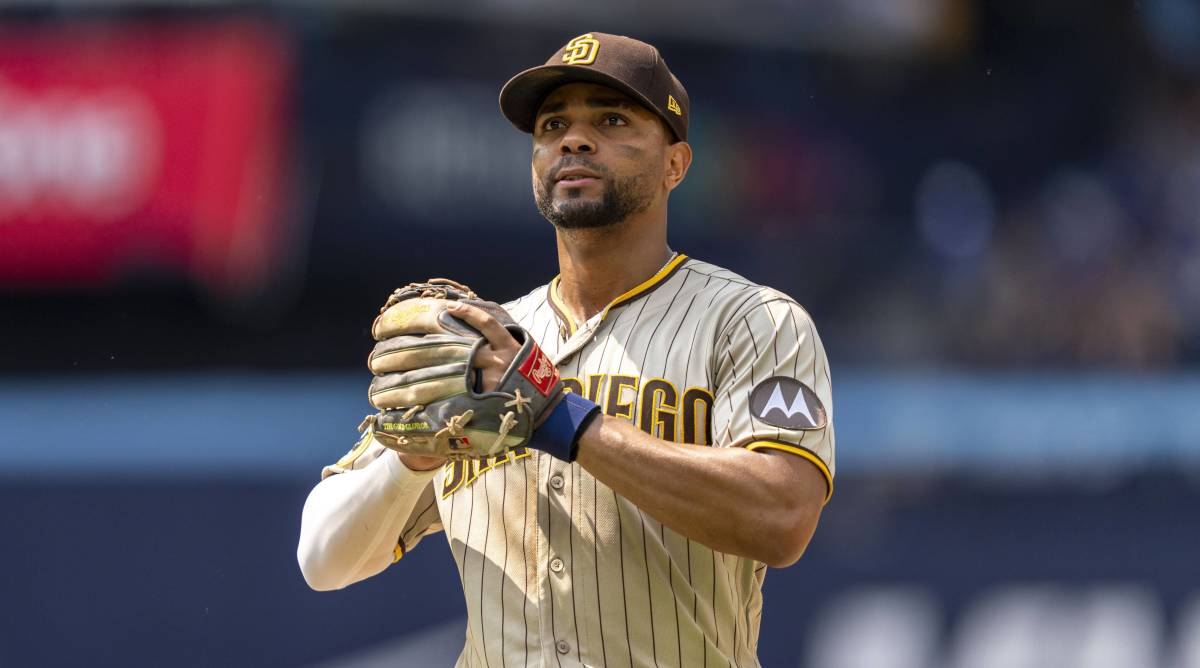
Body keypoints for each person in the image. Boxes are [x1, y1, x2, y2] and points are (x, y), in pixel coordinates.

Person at [298, 32, 835, 668]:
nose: (574, 140)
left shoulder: (752, 321)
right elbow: (322, 560)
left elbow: (782, 515)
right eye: (554, 124)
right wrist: (409, 462)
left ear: (676, 164)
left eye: (611, 119)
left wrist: (565, 421)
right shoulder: (483, 346)